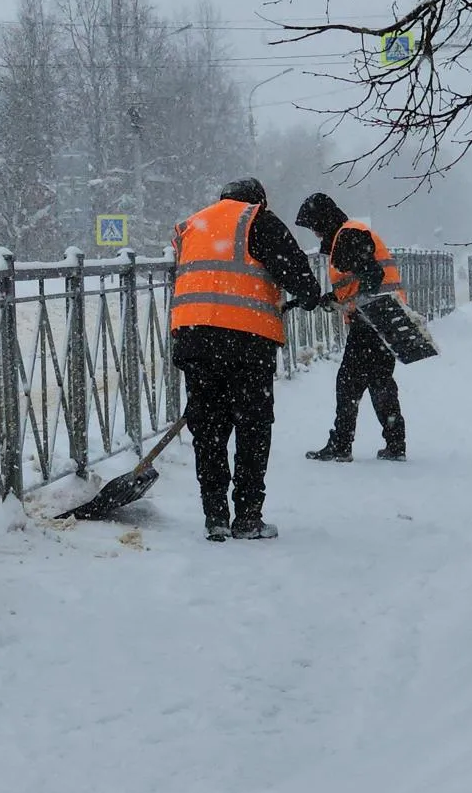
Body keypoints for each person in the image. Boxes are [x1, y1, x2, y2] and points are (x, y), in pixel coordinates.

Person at [170, 178, 326, 541]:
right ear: (259, 201)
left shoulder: (192, 224)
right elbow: (300, 278)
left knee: (208, 429)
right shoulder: (258, 220)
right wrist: (308, 296)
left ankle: (215, 515)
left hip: (194, 339)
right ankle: (248, 515)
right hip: (245, 343)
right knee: (252, 426)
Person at [294, 193, 408, 463]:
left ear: (324, 220)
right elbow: (361, 277)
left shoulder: (348, 235)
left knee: (348, 383)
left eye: (315, 226)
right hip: (386, 317)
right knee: (379, 381)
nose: (315, 233)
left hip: (371, 319)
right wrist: (334, 298)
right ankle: (395, 443)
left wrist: (360, 306)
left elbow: (371, 275)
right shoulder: (351, 233)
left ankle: (342, 445)